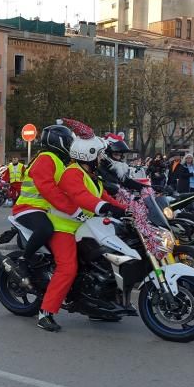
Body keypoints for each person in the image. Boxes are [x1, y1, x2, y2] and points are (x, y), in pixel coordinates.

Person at [38, 129, 127, 332]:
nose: (102, 157)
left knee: (105, 260)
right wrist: (103, 207)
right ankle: (45, 313)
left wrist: (129, 210)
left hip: (85, 227)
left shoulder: (91, 175)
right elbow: (81, 197)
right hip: (64, 227)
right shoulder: (72, 173)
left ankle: (98, 305)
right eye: (100, 154)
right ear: (90, 154)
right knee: (67, 268)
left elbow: (105, 197)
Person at [5, 121, 79, 288]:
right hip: (28, 208)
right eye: (68, 142)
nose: (70, 146)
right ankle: (24, 260)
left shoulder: (61, 161)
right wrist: (71, 209)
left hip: (47, 209)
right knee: (46, 229)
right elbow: (48, 189)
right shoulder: (46, 158)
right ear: (58, 142)